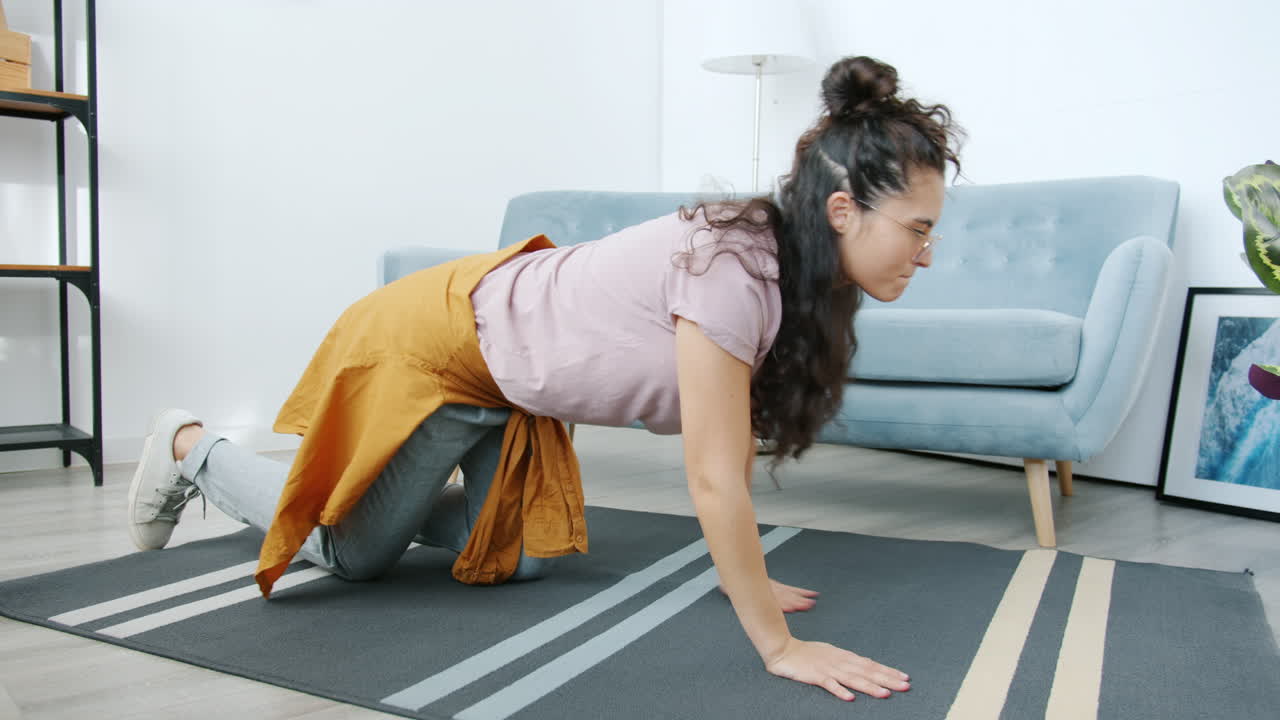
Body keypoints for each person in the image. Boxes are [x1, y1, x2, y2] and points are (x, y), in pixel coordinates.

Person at [126, 55, 961, 703]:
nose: (926, 253)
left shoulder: (793, 276)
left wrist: (738, 569)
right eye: (917, 230)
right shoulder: (734, 268)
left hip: (509, 382)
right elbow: (711, 479)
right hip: (440, 349)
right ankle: (190, 446)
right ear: (843, 209)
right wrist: (777, 644)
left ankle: (392, 496)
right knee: (352, 555)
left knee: (519, 555)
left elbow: (727, 434)